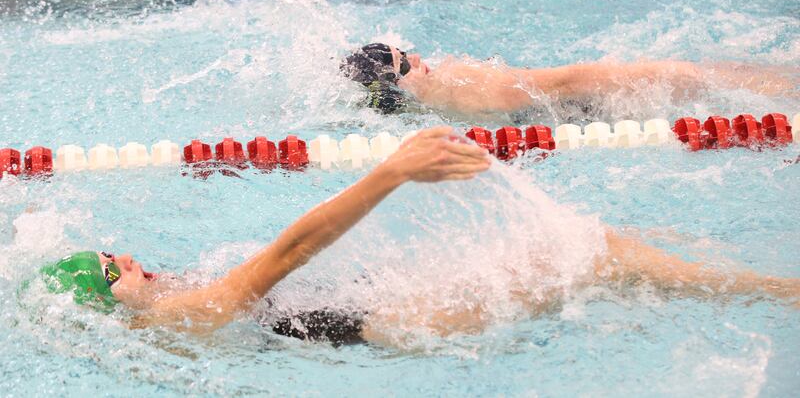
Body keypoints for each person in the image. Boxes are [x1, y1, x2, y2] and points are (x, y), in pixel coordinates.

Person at [37, 127, 799, 347]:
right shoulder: (180, 315)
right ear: (111, 305)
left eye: (118, 251)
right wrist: (392, 171)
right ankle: (779, 292)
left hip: (370, 307)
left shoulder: (165, 309)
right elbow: (288, 253)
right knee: (591, 253)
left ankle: (733, 281)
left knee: (607, 252)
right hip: (400, 326)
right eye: (114, 269)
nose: (132, 259)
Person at [341, 44, 799, 117]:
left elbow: (570, 80)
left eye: (408, 50)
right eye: (406, 65)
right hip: (569, 112)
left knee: (709, 79)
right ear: (392, 90)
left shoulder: (461, 83)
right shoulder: (445, 90)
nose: (420, 59)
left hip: (599, 100)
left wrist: (672, 75)